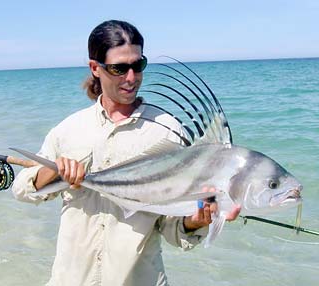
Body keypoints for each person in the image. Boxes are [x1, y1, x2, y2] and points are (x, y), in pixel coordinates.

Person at [12, 20, 240, 286]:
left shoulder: (168, 131)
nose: (131, 78)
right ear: (95, 68)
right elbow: (22, 190)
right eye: (119, 68)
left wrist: (195, 222)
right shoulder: (69, 129)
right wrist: (54, 169)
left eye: (138, 65)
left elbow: (172, 228)